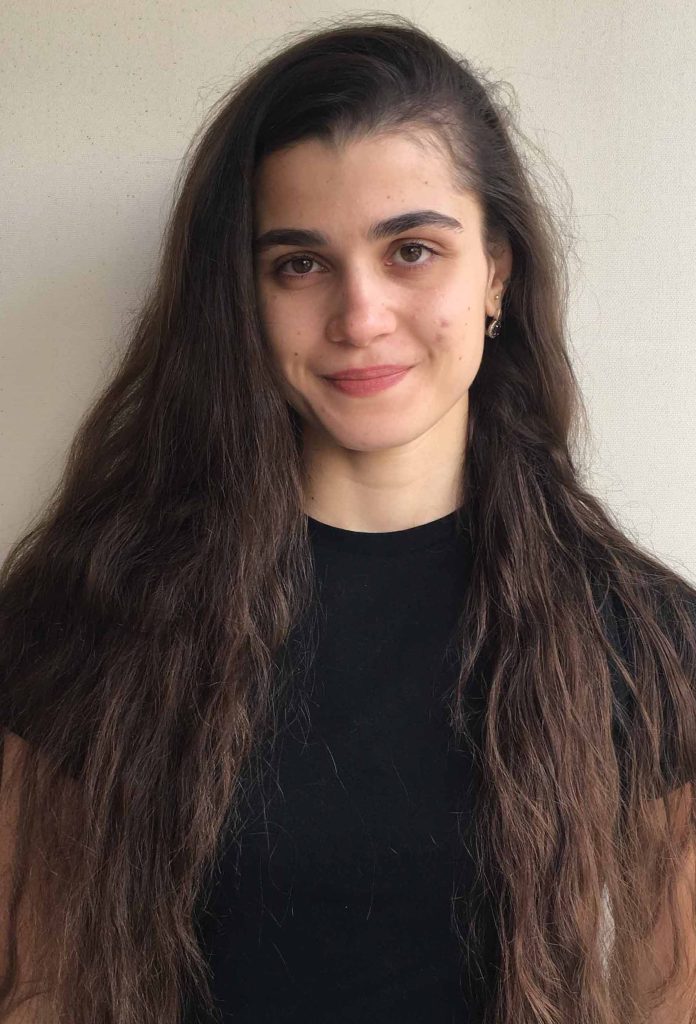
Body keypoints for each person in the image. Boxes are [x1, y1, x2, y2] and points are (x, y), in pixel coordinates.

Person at [2, 13, 696, 1024]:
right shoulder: (85, 615)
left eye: (411, 250)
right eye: (299, 263)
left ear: (496, 271)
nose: (360, 316)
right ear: (241, 295)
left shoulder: (644, 641)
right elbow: (37, 994)